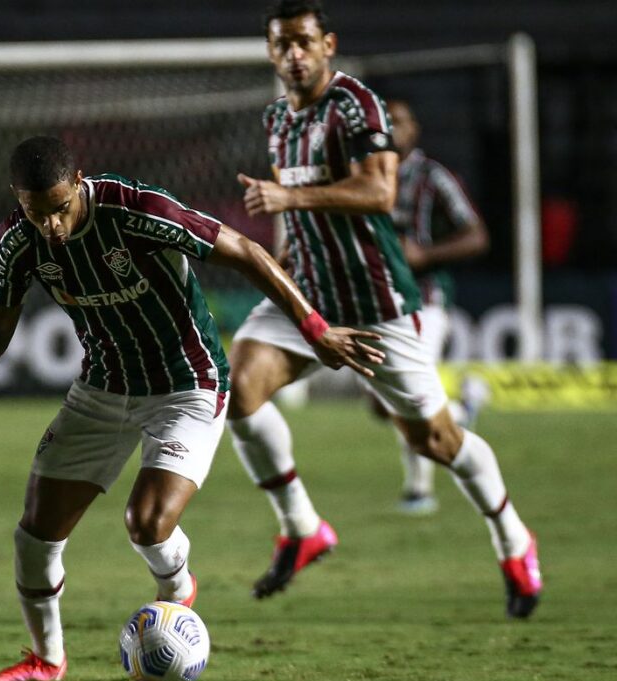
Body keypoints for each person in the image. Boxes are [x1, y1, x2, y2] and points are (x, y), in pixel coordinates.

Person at [0, 135, 382, 681]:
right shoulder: (17, 243)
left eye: (59, 208)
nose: (50, 224)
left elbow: (247, 252)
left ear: (78, 183)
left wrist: (316, 329)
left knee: (145, 523)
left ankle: (177, 589)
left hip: (186, 386)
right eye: (35, 211)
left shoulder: (137, 209)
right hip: (102, 390)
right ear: (17, 199)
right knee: (33, 538)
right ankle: (46, 660)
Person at [229, 0, 540, 618]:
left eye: (304, 42)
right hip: (311, 291)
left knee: (436, 439)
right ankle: (302, 527)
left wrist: (287, 195)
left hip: (376, 302)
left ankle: (513, 539)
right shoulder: (277, 120)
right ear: (270, 52)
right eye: (282, 44)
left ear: (328, 45)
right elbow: (296, 210)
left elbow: (380, 190)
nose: (294, 53)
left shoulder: (355, 105)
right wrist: (287, 253)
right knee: (236, 388)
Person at [384, 98, 490, 514]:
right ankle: (464, 408)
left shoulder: (434, 178)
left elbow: (477, 236)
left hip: (425, 301)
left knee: (408, 397)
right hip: (376, 304)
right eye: (385, 121)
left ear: (416, 130)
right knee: (384, 401)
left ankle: (419, 490)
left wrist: (425, 256)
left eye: (400, 122)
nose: (391, 129)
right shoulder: (360, 176)